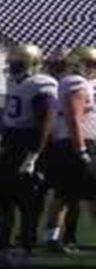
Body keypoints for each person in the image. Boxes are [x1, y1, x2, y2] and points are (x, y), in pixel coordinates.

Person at [0, 44, 57, 268]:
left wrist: (33, 156)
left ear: (32, 65)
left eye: (17, 64)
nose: (12, 67)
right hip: (12, 144)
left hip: (29, 145)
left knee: (28, 203)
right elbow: (9, 123)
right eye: (11, 63)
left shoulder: (42, 84)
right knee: (2, 201)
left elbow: (46, 122)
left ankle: (25, 250)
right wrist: (0, 153)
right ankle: (2, 247)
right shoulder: (15, 82)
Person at [46, 47, 96, 249]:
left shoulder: (75, 81)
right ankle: (52, 236)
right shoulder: (75, 82)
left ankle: (53, 236)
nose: (93, 68)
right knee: (72, 194)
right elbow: (74, 117)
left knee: (66, 194)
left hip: (75, 142)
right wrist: (81, 148)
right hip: (78, 143)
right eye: (91, 64)